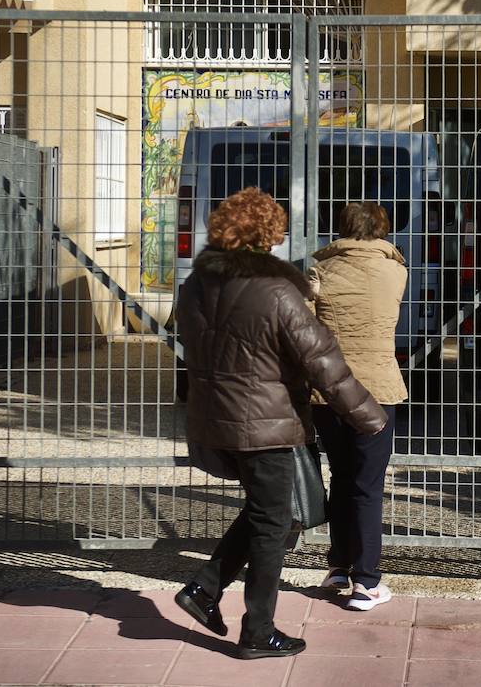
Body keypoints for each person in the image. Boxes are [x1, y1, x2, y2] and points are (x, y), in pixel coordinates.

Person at [174, 188, 387, 659]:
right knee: (276, 523)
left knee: (265, 512)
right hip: (265, 425)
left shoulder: (195, 286)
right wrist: (368, 416)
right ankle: (257, 632)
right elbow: (323, 360)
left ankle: (205, 589)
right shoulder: (277, 290)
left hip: (213, 419)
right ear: (270, 233)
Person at [309, 201, 408, 611]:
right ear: (382, 229)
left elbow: (308, 326)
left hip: (329, 391)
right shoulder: (396, 271)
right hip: (378, 391)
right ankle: (366, 582)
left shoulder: (318, 272)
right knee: (367, 485)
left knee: (342, 477)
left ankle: (338, 564)